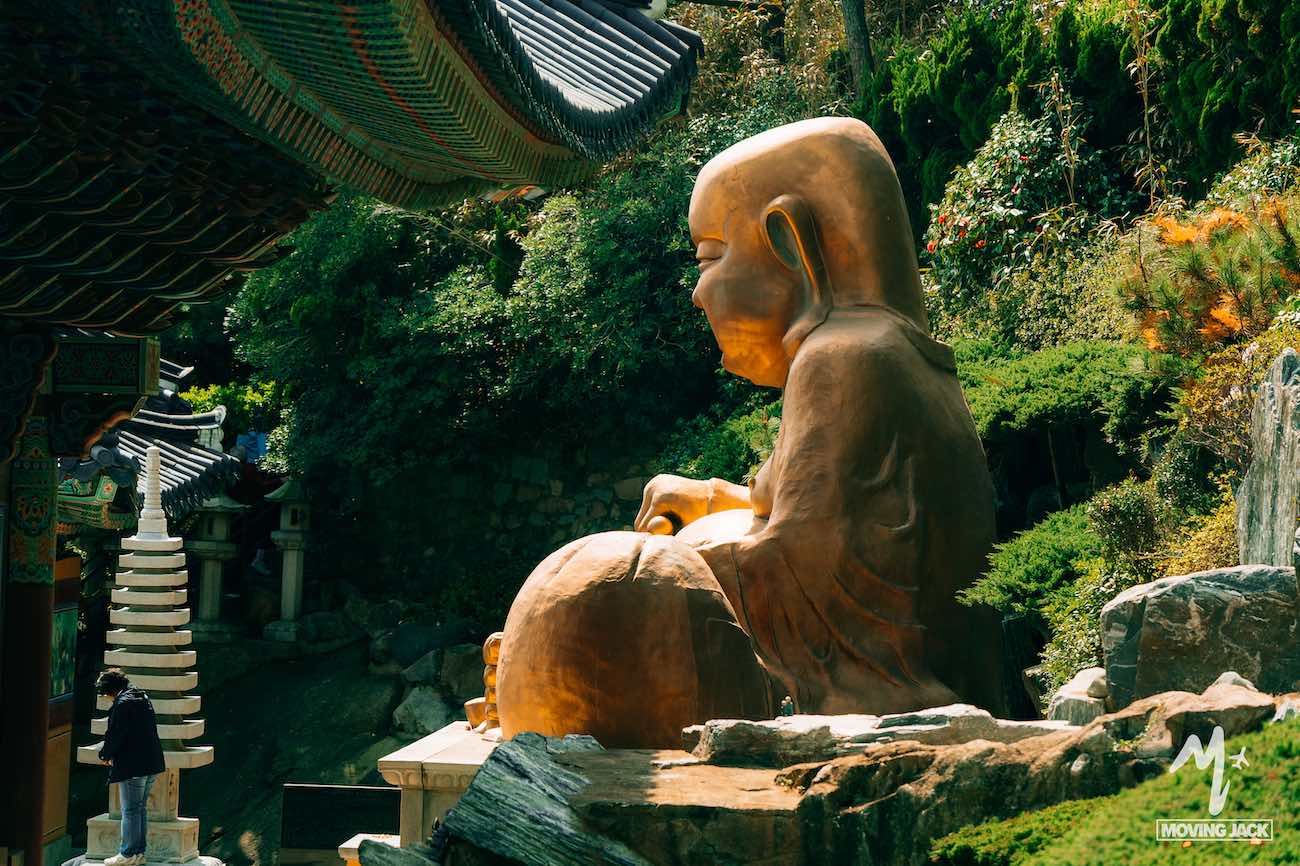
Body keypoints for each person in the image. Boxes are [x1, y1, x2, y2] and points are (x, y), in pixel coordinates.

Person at [96, 668, 166, 866]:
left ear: (111, 690)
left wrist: (104, 755)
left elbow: (116, 734)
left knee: (130, 811)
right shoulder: (142, 697)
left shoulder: (123, 704)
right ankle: (138, 853)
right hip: (151, 762)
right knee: (139, 809)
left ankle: (127, 853)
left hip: (133, 766)